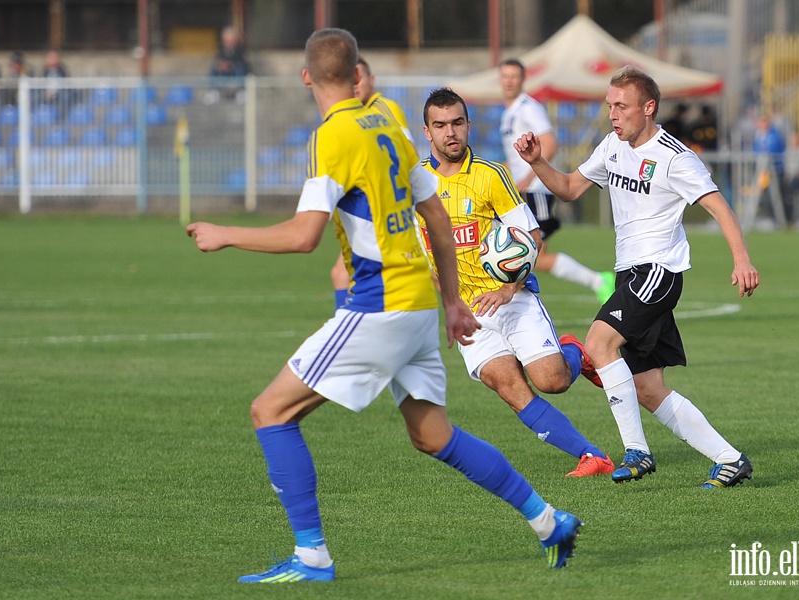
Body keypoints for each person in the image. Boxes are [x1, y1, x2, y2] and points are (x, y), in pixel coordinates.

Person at [186, 28, 583, 583]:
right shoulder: (390, 125)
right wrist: (450, 302)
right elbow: (437, 218)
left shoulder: (332, 136)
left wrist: (223, 233)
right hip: (420, 304)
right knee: (432, 435)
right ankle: (548, 520)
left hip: (379, 304)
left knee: (270, 412)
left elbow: (305, 236)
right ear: (356, 76)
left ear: (306, 79)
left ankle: (312, 558)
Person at [514, 65, 759, 488]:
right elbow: (570, 188)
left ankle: (637, 452)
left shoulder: (674, 157)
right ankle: (730, 459)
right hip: (631, 273)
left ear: (648, 108)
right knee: (647, 388)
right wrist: (537, 162)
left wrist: (742, 260)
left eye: (621, 106)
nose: (613, 114)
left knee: (598, 342)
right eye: (610, 105)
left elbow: (719, 206)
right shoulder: (612, 145)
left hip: (658, 271)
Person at [419, 87, 614, 478]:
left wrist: (508, 287)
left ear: (469, 125)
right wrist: (450, 308)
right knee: (509, 387)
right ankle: (593, 456)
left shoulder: (492, 176)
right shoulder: (415, 185)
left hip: (512, 298)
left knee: (552, 381)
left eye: (457, 123)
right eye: (440, 125)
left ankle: (574, 350)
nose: (450, 132)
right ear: (427, 132)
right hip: (470, 313)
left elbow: (532, 237)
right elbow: (424, 257)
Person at [499, 58, 614, 303]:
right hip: (523, 191)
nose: (509, 81)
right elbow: (514, 158)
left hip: (536, 190)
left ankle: (598, 280)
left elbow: (549, 144)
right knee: (528, 254)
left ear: (522, 80)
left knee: (528, 252)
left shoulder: (528, 107)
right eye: (505, 76)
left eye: (513, 76)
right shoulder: (508, 113)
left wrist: (528, 179)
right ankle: (598, 281)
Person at [330, 56, 415, 309]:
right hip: (375, 213)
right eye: (349, 79)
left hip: (394, 212)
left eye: (359, 78)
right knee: (342, 273)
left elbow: (408, 153)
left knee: (420, 272)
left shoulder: (383, 107)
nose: (355, 85)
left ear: (372, 80)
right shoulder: (361, 114)